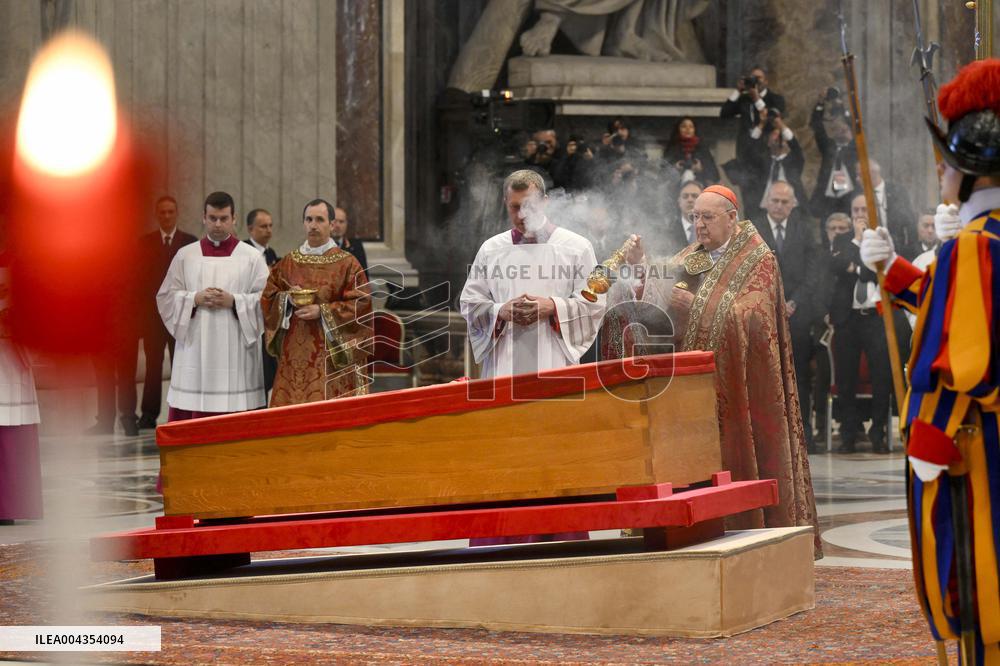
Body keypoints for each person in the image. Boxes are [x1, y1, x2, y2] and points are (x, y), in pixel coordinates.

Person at [859, 58, 1000, 659]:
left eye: (947, 163)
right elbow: (960, 308)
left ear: (970, 173)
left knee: (977, 584)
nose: (940, 171)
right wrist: (893, 270)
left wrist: (930, 435)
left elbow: (965, 360)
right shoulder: (985, 240)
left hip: (977, 444)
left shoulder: (972, 246)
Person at [604, 184, 820, 554]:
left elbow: (756, 319)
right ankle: (691, 530)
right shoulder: (692, 254)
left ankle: (747, 530)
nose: (699, 225)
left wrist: (697, 305)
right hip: (689, 387)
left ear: (732, 218)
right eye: (695, 217)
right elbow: (655, 290)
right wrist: (640, 266)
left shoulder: (758, 258)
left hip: (740, 390)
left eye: (707, 217)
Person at [460, 169, 605, 380]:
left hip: (554, 359)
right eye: (515, 207)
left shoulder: (577, 247)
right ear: (505, 203)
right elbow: (469, 303)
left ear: (545, 202)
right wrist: (500, 311)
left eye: (529, 206)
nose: (522, 215)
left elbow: (594, 303)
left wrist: (553, 307)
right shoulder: (491, 249)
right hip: (503, 361)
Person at [157, 191, 270, 421]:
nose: (218, 224)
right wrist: (194, 299)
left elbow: (267, 299)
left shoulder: (251, 257)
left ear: (234, 218)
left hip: (237, 350)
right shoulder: (185, 255)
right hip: (195, 348)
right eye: (213, 218)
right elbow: (166, 296)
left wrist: (235, 301)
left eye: (224, 218)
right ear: (204, 218)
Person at [262, 199, 372, 407]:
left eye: (320, 220)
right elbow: (268, 296)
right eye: (309, 219)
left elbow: (362, 303)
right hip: (295, 356)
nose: (313, 225)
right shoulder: (288, 263)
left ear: (332, 224)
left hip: (331, 356)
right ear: (303, 223)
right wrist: (287, 299)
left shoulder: (348, 263)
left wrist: (323, 311)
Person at [750, 181, 821, 450]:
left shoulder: (804, 229)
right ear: (766, 202)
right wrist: (771, 303)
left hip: (796, 314)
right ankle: (768, 436)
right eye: (775, 201)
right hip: (763, 312)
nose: (779, 206)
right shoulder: (752, 229)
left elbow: (813, 271)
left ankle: (803, 434)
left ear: (793, 204)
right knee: (764, 375)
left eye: (784, 202)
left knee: (799, 374)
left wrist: (794, 302)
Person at [826, 194, 891, 453]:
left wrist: (856, 267)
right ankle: (849, 434)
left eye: (864, 209)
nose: (860, 215)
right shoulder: (842, 239)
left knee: (881, 376)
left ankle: (878, 433)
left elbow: (878, 272)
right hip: (848, 318)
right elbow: (836, 265)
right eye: (856, 210)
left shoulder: (883, 239)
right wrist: (858, 245)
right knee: (846, 378)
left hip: (875, 318)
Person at [134, 196, 197, 430]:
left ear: (177, 213)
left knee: (181, 364)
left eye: (171, 212)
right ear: (156, 215)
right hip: (154, 318)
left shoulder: (189, 243)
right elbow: (140, 283)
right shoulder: (145, 243)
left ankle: (184, 411)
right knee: (153, 365)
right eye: (163, 212)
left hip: (180, 315)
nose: (167, 216)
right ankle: (148, 414)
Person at [0, 241, 42, 523]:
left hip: (13, 363)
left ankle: (12, 506)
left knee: (13, 435)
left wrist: (15, 321)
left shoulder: (22, 266)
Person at [245, 208, 280, 395]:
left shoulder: (271, 253)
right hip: (248, 316)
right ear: (250, 229)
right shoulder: (243, 252)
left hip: (267, 318)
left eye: (270, 226)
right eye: (263, 226)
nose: (268, 230)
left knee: (267, 370)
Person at [809, 91, 858, 224]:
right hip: (828, 199)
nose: (841, 131)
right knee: (827, 228)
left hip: (849, 197)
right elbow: (817, 127)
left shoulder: (856, 149)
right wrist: (820, 104)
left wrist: (841, 107)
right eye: (837, 129)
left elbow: (856, 127)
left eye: (845, 129)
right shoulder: (828, 146)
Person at [855, 158, 916, 259]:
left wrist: (910, 251)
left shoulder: (898, 191)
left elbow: (910, 222)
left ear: (872, 173)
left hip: (897, 251)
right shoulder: (857, 195)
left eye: (860, 175)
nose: (857, 179)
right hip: (869, 251)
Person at [662, 116, 719, 186]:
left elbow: (713, 173)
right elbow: (662, 172)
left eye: (691, 127)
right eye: (684, 126)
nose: (688, 129)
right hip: (676, 187)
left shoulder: (702, 148)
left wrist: (701, 169)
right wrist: (674, 169)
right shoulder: (672, 148)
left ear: (694, 130)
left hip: (700, 186)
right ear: (678, 129)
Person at [664, 180, 704, 252]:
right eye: (685, 196)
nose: (690, 200)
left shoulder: (712, 230)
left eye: (695, 196)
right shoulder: (667, 231)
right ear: (679, 201)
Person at [332, 206, 368, 277]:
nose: (338, 225)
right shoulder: (319, 246)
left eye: (341, 222)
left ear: (346, 224)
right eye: (335, 221)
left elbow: (363, 276)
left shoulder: (356, 247)